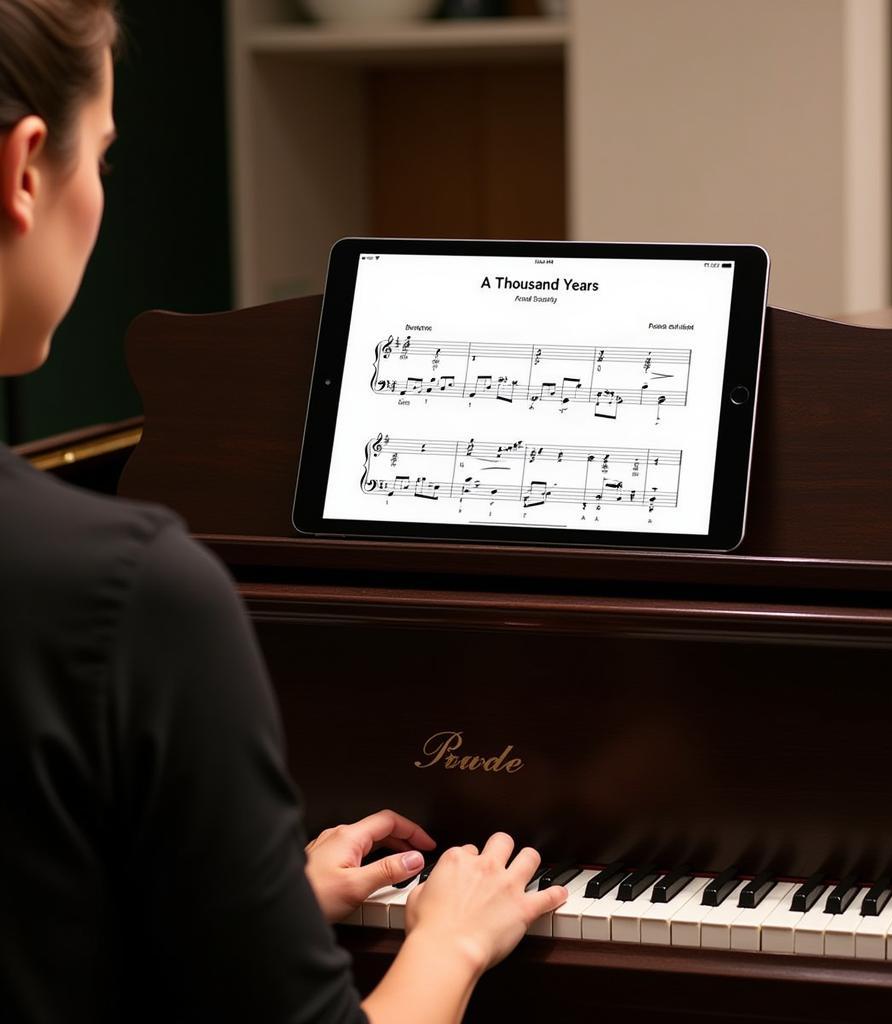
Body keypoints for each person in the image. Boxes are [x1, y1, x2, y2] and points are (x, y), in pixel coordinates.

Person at [0, 2, 567, 1021]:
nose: (99, 195)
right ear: (28, 168)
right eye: (104, 160)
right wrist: (450, 940)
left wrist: (251, 903)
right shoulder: (123, 591)